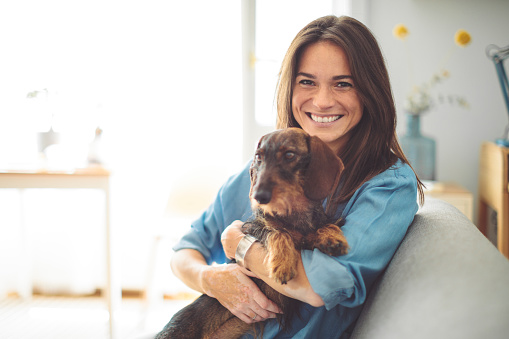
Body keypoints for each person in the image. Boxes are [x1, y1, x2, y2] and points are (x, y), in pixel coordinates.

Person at [169, 15, 424, 338]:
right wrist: (210, 280)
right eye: (307, 82)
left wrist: (241, 245)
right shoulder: (262, 167)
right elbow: (184, 253)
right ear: (290, 88)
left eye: (342, 83)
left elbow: (321, 286)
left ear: (369, 92)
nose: (322, 101)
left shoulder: (387, 185)